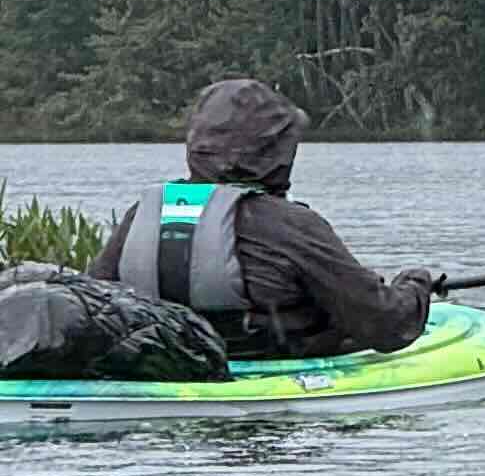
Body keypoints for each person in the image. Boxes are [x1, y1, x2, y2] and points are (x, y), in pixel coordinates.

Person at [98, 78, 436, 358]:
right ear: (272, 151)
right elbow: (386, 324)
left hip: (172, 362)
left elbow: (96, 306)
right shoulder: (292, 225)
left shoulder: (142, 215)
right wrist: (415, 285)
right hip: (269, 370)